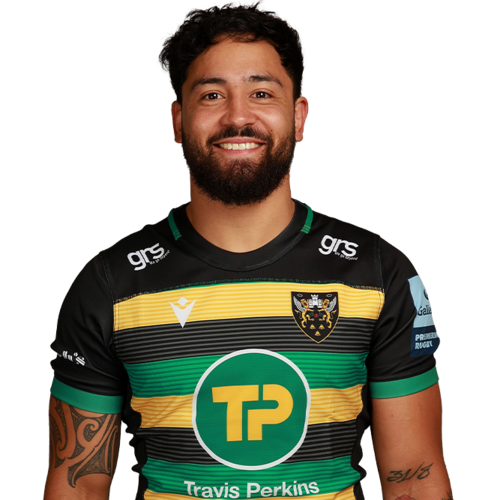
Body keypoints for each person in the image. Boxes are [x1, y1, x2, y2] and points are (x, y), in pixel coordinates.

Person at [44, 1, 453, 499]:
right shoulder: (109, 284)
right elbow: (79, 486)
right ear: (177, 120)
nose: (238, 116)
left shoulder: (378, 272)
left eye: (261, 92)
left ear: (299, 116)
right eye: (212, 95)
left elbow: (414, 477)